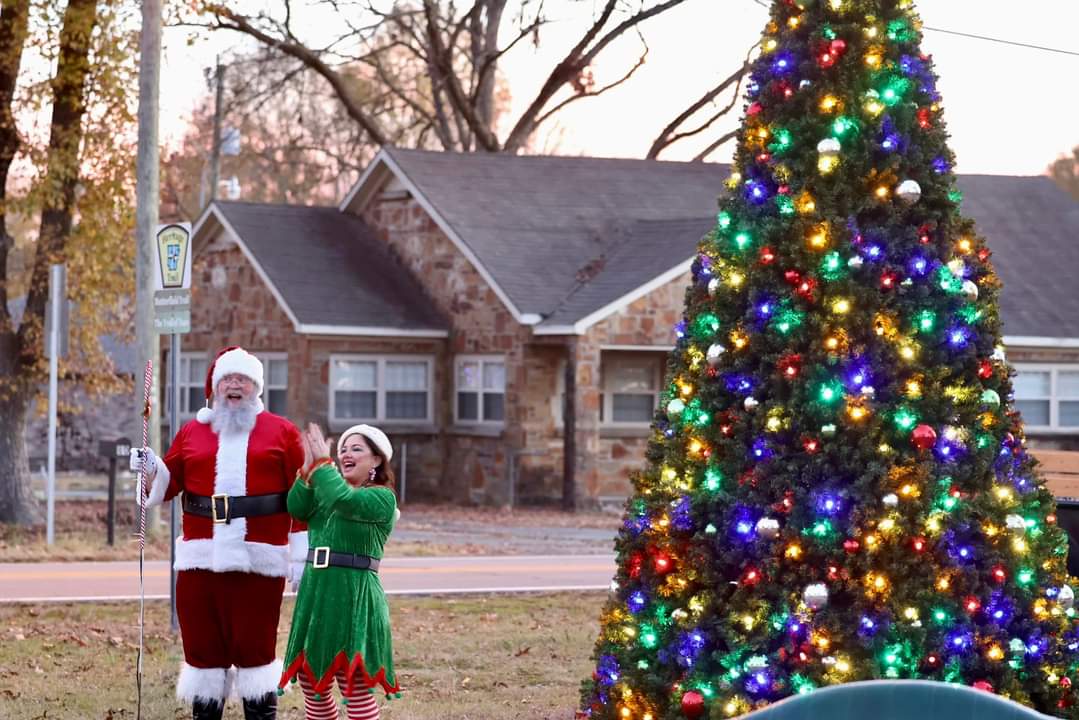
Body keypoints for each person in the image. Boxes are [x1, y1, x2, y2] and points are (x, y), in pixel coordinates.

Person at [130, 346, 307, 720]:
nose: (234, 386)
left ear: (257, 386)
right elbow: (168, 482)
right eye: (227, 379)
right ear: (213, 387)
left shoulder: (283, 432)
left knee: (255, 654)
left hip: (259, 562)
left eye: (242, 379)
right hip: (199, 560)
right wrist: (148, 468)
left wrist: (301, 554)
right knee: (203, 654)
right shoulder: (192, 431)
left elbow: (303, 497)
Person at [279, 422, 401, 720]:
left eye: (356, 449)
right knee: (311, 681)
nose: (346, 453)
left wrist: (323, 464)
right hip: (316, 593)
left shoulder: (381, 498)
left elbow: (344, 500)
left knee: (353, 682)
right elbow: (296, 507)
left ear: (376, 460)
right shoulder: (328, 491)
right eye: (343, 449)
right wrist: (307, 471)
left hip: (354, 595)